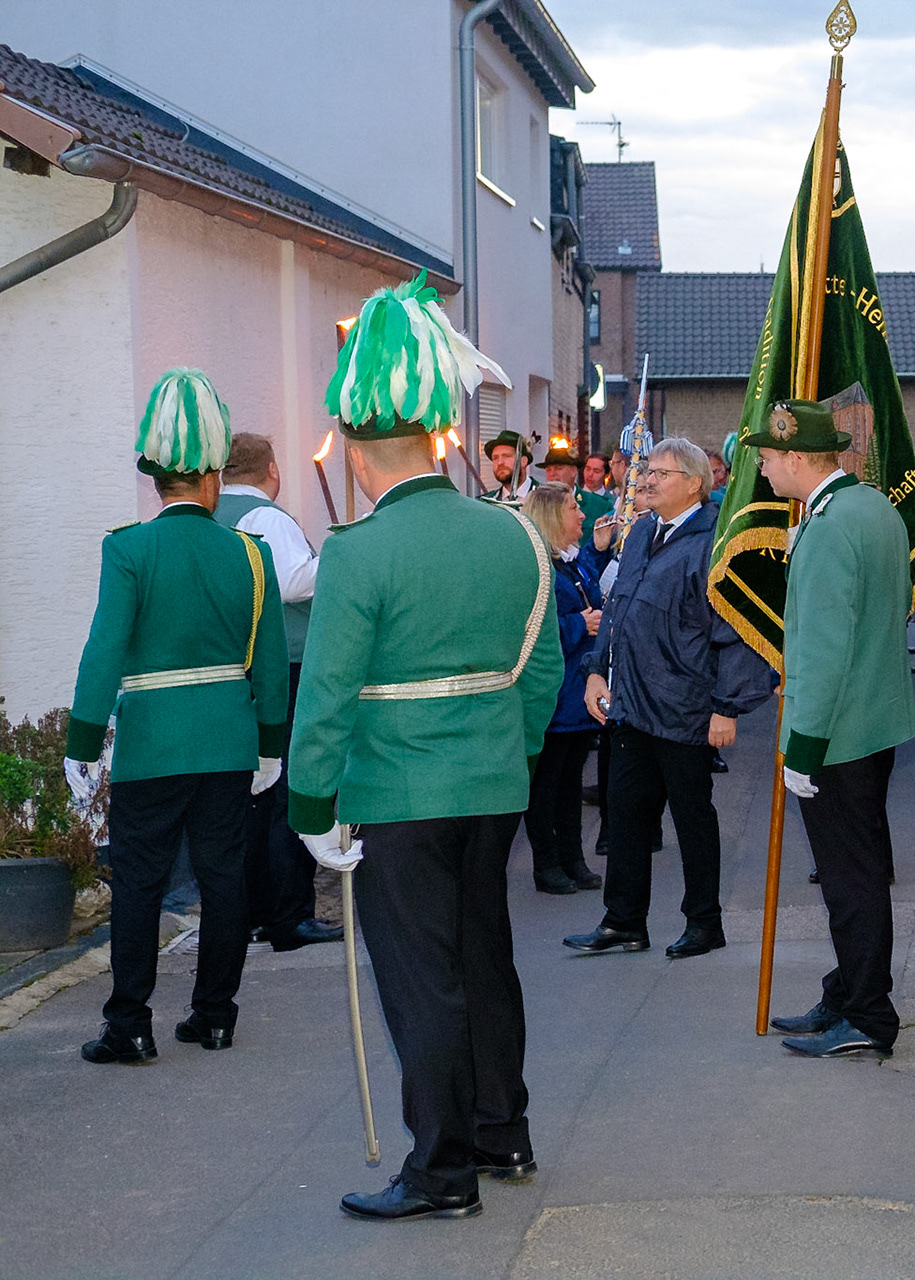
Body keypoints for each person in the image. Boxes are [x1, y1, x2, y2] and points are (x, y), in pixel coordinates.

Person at [289, 273, 561, 1222]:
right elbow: (541, 668)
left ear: (360, 450)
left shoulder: (358, 551)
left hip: (399, 791)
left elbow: (324, 696)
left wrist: (311, 808)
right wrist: (511, 753)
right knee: (485, 957)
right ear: (440, 437)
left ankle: (442, 1171)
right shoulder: (512, 534)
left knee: (421, 980)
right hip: (492, 784)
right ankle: (503, 1130)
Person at [65, 369, 289, 1065]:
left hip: (152, 743)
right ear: (215, 474)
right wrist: (272, 745)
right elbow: (272, 664)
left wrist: (82, 739)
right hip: (228, 740)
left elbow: (105, 648)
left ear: (156, 480)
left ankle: (130, 1023)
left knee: (138, 881)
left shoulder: (127, 548)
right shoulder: (251, 553)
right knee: (224, 878)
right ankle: (215, 1014)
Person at [568, 439, 773, 960]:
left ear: (695, 484)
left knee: (691, 818)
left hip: (685, 709)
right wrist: (596, 673)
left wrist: (726, 707)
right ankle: (623, 922)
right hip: (631, 704)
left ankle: (705, 923)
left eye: (661, 473)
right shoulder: (639, 534)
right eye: (647, 471)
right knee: (626, 814)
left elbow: (736, 630)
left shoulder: (714, 542)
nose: (648, 480)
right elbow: (615, 610)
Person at [758, 400, 915, 1059]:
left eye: (768, 457)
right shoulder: (871, 507)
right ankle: (847, 988)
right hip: (873, 720)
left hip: (839, 732)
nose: (764, 469)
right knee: (862, 869)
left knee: (849, 879)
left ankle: (868, 1014)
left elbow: (822, 647)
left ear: (798, 458)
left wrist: (805, 745)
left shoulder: (826, 527)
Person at [216, 432, 341, 952]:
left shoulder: (211, 513)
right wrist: (339, 556)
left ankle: (253, 911)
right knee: (287, 791)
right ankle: (288, 916)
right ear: (271, 468)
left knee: (250, 799)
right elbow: (290, 581)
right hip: (284, 667)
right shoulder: (267, 518)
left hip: (234, 671)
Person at [520, 483, 612, 896]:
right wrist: (580, 625)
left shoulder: (573, 562)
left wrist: (597, 548)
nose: (581, 514)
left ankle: (574, 857)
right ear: (553, 516)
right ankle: (547, 862)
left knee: (572, 779)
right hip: (553, 695)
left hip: (579, 691)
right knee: (547, 784)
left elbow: (588, 590)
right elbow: (532, 628)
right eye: (573, 508)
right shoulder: (537, 568)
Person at [539, 439, 613, 547]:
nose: (552, 474)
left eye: (559, 468)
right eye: (548, 470)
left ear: (574, 471)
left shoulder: (600, 506)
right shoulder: (540, 506)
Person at [481, 431, 532, 502]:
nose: (500, 463)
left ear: (523, 461)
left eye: (506, 456)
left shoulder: (548, 498)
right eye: (495, 458)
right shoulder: (486, 503)